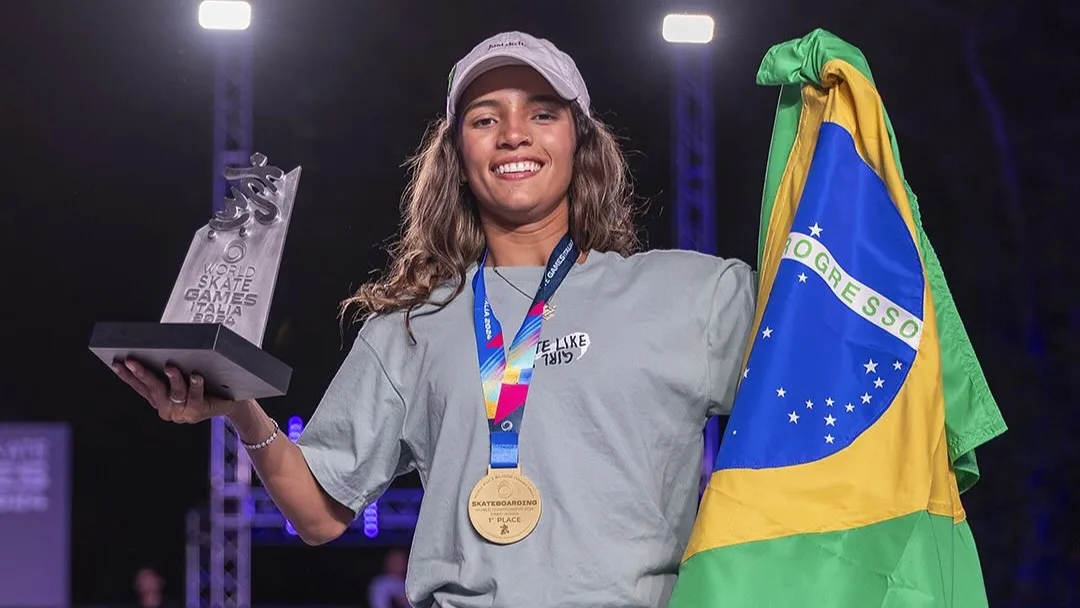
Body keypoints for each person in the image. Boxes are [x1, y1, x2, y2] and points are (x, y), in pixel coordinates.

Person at [113, 31, 755, 608]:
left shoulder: (696, 294)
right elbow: (318, 515)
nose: (514, 134)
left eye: (542, 113)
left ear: (579, 138)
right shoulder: (415, 325)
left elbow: (823, 406)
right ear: (456, 153)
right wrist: (239, 409)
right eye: (485, 118)